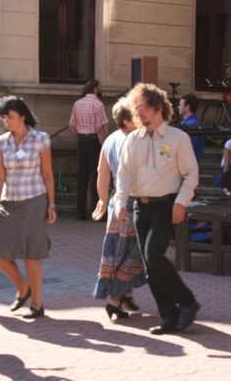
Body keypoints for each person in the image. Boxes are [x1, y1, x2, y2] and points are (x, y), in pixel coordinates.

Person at [115, 83, 200, 335]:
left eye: (143, 108)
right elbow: (124, 174)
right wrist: (120, 203)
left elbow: (191, 173)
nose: (138, 113)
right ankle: (169, 316)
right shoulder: (133, 139)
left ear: (158, 108)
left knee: (154, 257)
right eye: (136, 108)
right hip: (141, 207)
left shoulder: (178, 138)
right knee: (150, 265)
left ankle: (187, 302)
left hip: (166, 205)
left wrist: (181, 201)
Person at [0, 96, 56, 319]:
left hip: (34, 199)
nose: (6, 121)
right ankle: (22, 287)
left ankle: (37, 303)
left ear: (22, 116)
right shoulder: (1, 142)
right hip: (9, 202)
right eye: (4, 118)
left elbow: (47, 173)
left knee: (30, 254)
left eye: (10, 117)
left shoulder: (41, 139)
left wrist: (51, 204)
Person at [91, 98, 146, 319]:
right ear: (126, 119)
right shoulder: (136, 141)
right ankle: (115, 299)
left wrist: (103, 200)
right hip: (132, 203)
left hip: (115, 202)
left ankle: (127, 296)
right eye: (136, 114)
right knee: (135, 253)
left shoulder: (110, 139)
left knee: (118, 252)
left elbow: (102, 174)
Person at [69, 79, 108, 220]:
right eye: (100, 87)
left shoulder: (77, 104)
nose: (101, 89)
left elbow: (72, 125)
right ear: (96, 88)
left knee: (82, 176)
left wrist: (79, 137)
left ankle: (80, 213)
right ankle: (97, 212)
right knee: (97, 175)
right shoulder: (98, 104)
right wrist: (104, 145)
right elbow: (100, 127)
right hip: (93, 140)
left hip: (82, 140)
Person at [178, 93, 204, 159]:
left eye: (180, 104)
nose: (178, 107)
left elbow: (191, 147)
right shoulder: (186, 121)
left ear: (187, 107)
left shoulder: (193, 124)